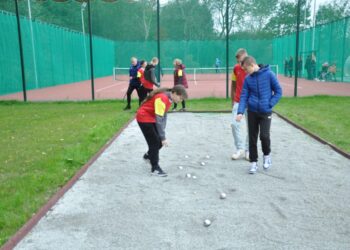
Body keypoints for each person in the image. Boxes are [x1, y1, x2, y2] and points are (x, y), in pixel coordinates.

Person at [236, 56, 282, 174]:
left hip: (265, 111)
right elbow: (244, 96)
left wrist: (269, 103)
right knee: (252, 138)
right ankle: (253, 163)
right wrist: (240, 112)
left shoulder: (269, 74)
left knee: (264, 136)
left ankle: (267, 156)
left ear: (252, 65)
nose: (245, 72)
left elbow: (278, 91)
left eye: (246, 69)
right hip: (251, 112)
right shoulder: (248, 79)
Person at [136, 85, 188, 177]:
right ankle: (155, 169)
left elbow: (164, 115)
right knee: (155, 143)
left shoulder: (169, 99)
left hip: (151, 118)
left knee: (159, 142)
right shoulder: (162, 98)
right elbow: (159, 119)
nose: (180, 101)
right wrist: (163, 137)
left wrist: (162, 134)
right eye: (180, 98)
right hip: (144, 118)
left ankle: (148, 155)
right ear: (175, 93)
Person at [231, 48, 249, 161]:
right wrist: (232, 101)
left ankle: (248, 150)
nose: (239, 64)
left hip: (251, 102)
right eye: (238, 62)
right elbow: (233, 84)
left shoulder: (252, 69)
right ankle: (240, 149)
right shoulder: (236, 68)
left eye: (241, 61)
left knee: (251, 127)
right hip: (238, 101)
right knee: (234, 124)